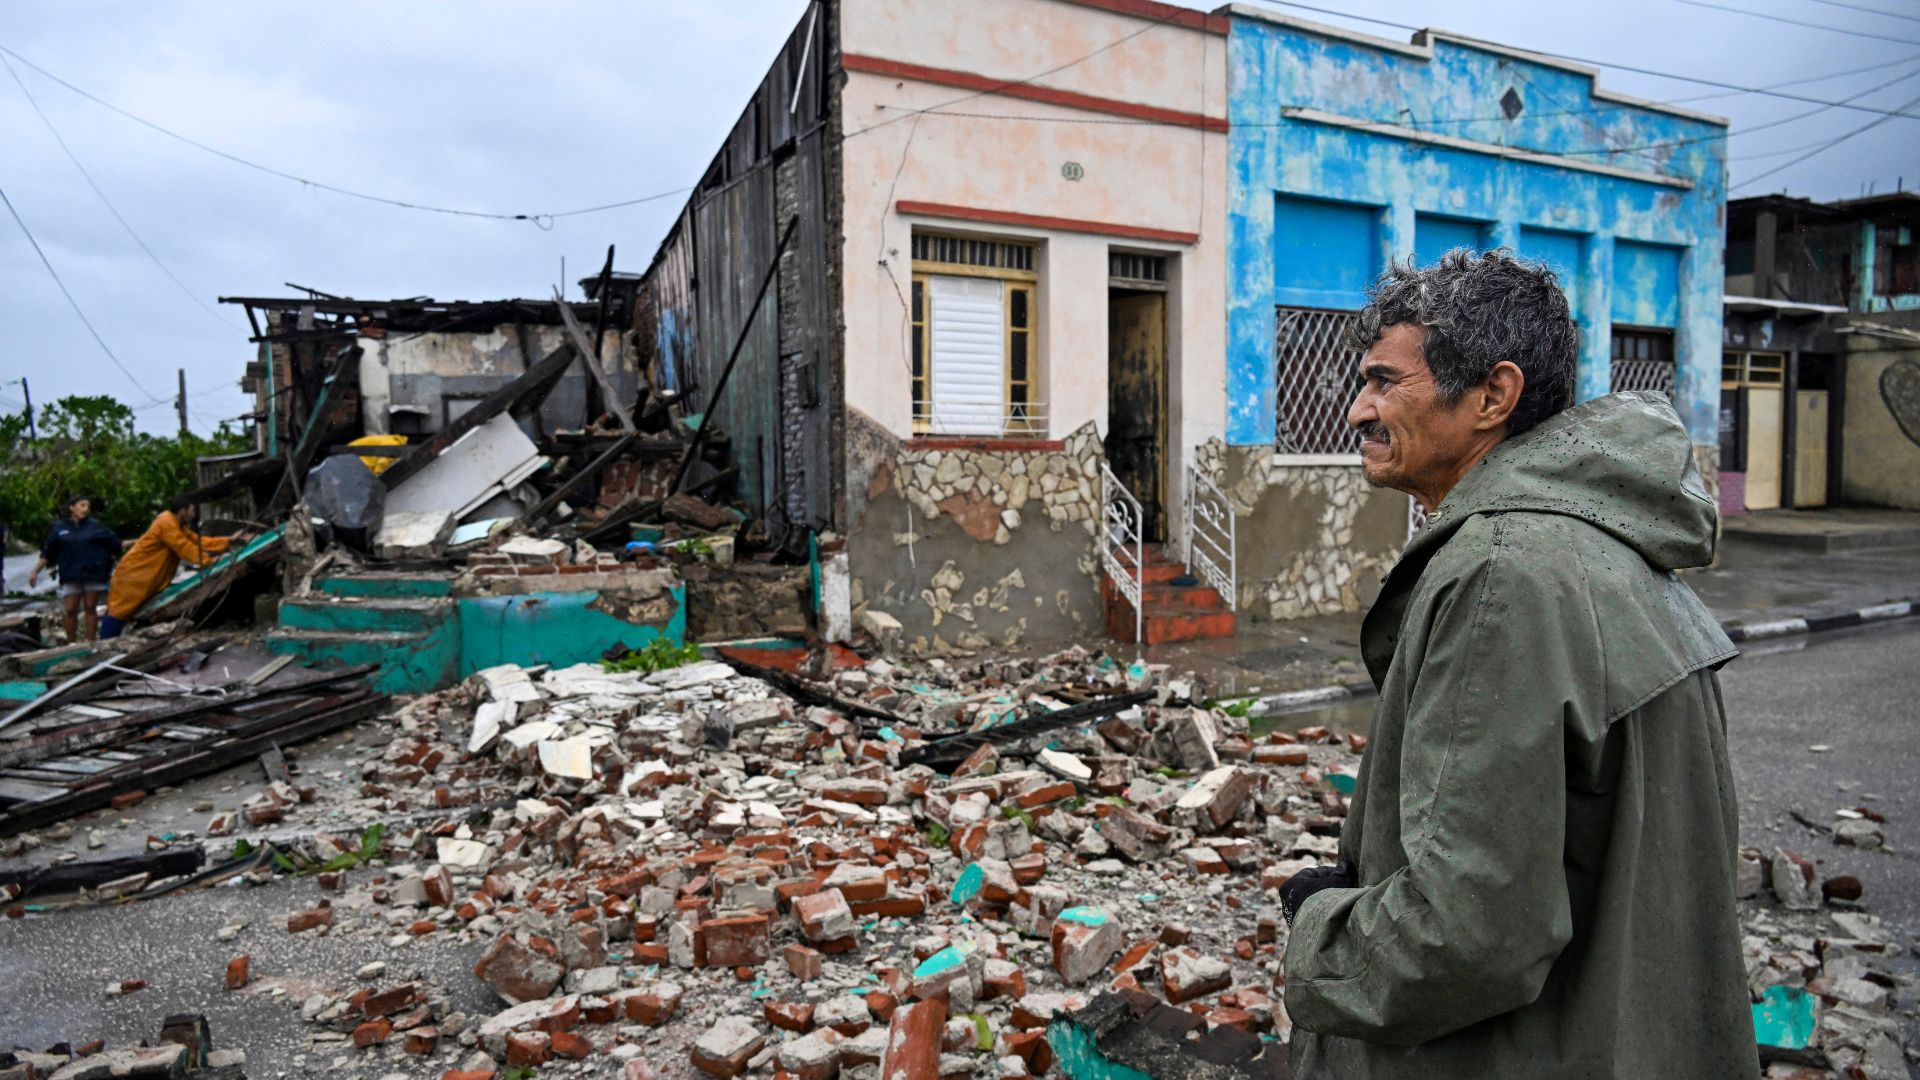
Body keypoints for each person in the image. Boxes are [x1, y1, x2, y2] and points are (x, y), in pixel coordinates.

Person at [1277, 250, 1756, 1077]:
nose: (1358, 409)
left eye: (1387, 382)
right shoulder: (1607, 546)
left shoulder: (1503, 573)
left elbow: (1466, 931)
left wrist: (1319, 930)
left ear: (1492, 397)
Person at [100, 499, 242, 639]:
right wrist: (208, 561)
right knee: (119, 611)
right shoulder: (166, 523)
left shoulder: (177, 525)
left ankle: (111, 644)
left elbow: (197, 541)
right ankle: (105, 646)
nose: (193, 514)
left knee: (124, 611)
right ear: (182, 511)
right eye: (192, 510)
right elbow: (183, 547)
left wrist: (227, 540)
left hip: (144, 575)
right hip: (134, 574)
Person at [27, 494, 120, 643]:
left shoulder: (95, 526)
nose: (85, 509)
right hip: (70, 573)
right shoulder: (60, 528)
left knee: (90, 607)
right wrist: (35, 572)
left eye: (87, 506)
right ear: (72, 507)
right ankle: (71, 643)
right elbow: (48, 553)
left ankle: (90, 642)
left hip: (92, 572)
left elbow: (115, 543)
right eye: (82, 505)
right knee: (71, 609)